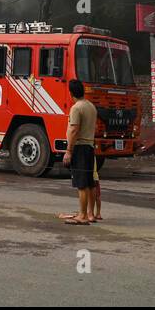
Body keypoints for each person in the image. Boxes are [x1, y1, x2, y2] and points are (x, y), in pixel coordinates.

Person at [60, 79, 98, 224]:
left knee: (81, 184)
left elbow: (74, 129)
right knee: (90, 183)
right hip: (89, 146)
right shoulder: (91, 106)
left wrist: (69, 150)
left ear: (70, 93)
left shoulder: (76, 108)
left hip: (80, 147)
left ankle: (82, 215)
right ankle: (90, 214)